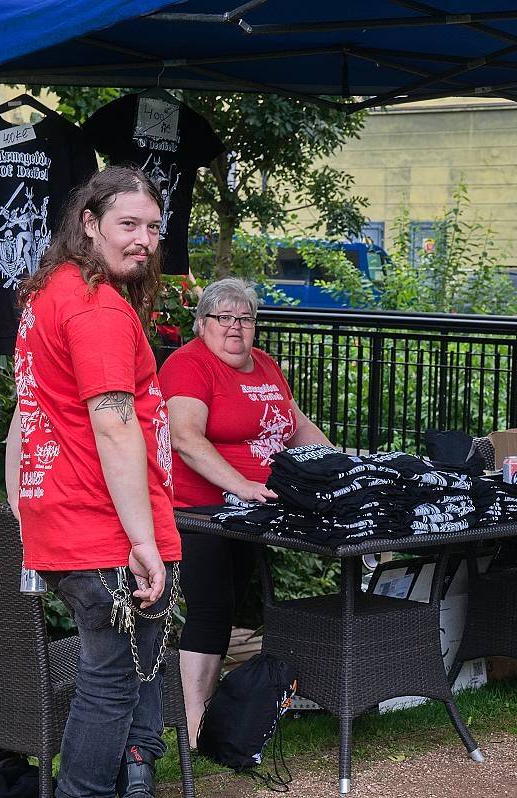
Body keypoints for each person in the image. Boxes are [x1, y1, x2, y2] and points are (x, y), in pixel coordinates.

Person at [5, 165, 180, 798]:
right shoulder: (96, 308)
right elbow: (113, 427)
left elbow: (24, 417)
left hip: (67, 513)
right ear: (89, 223)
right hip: (105, 523)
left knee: (125, 671)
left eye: (153, 228)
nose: (143, 239)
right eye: (127, 224)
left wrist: (24, 508)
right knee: (111, 680)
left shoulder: (49, 291)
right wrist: (142, 540)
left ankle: (134, 782)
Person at [159, 277, 334, 746]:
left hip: (254, 508)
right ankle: (194, 728)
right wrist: (241, 485)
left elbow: (296, 427)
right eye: (223, 317)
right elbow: (185, 439)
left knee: (233, 605)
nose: (235, 327)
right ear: (202, 324)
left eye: (245, 318)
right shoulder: (188, 365)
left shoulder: (266, 366)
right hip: (201, 509)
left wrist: (341, 469)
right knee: (211, 610)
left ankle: (216, 712)